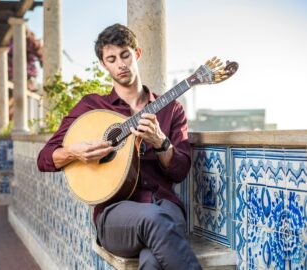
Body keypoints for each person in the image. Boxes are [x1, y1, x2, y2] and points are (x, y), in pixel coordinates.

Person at [37, 23, 201, 270]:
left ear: (137, 54)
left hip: (164, 205)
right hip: (115, 216)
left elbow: (180, 171)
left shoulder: (171, 110)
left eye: (125, 55)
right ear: (104, 65)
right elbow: (44, 158)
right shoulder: (92, 108)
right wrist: (74, 152)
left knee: (152, 262)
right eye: (111, 59)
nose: (121, 64)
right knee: (155, 221)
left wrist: (160, 142)